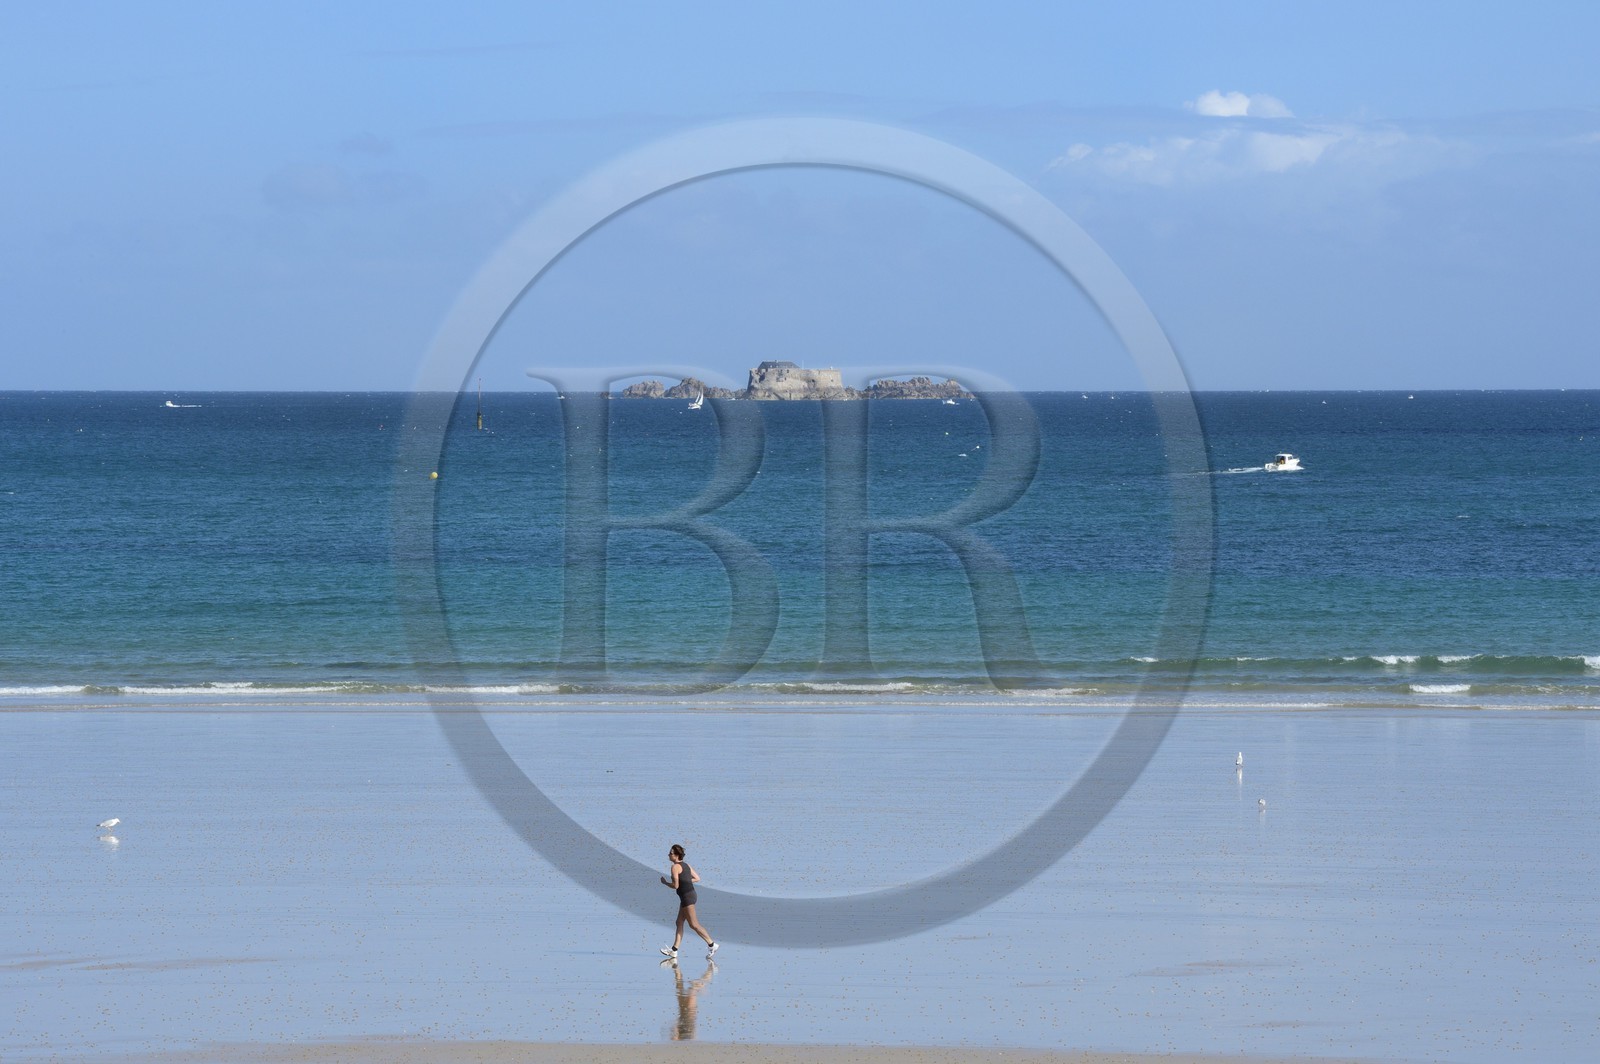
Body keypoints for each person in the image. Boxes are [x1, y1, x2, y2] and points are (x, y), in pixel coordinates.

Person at [659, 844, 718, 960]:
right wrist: (685, 880)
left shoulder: (675, 867)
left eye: (670, 853)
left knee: (693, 924)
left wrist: (665, 883)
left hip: (687, 897)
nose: (668, 855)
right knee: (679, 922)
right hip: (689, 895)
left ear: (676, 855)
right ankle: (674, 950)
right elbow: (697, 878)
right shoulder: (686, 865)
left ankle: (712, 944)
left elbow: (676, 885)